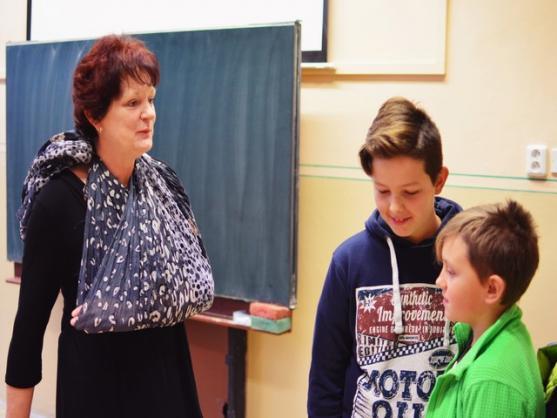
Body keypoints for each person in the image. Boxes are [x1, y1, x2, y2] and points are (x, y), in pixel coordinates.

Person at [5, 35, 214, 418]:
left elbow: (193, 284)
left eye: (150, 99)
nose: (148, 113)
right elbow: (28, 330)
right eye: (132, 103)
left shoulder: (163, 185)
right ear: (94, 116)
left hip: (169, 382)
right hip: (98, 390)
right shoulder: (59, 201)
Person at [308, 97, 462, 417]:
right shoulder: (348, 262)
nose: (394, 207)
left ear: (439, 180)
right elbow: (325, 378)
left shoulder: (468, 258)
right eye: (382, 190)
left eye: (410, 192)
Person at [426, 200, 545, 417]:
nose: (439, 281)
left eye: (451, 272)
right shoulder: (482, 337)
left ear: (492, 289)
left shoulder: (492, 381)